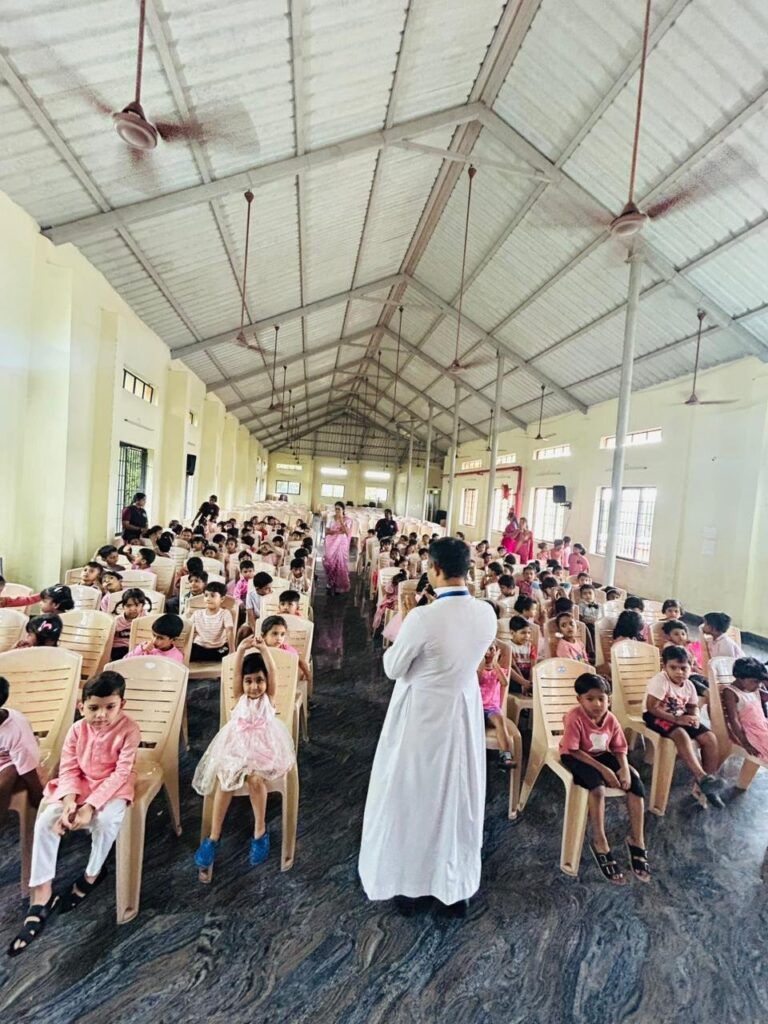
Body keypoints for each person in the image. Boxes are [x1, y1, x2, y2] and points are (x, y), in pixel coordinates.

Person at [359, 538, 496, 916]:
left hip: (422, 715)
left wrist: (406, 624)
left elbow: (393, 667)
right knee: (457, 797)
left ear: (434, 569)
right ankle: (453, 887)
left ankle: (413, 886)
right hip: (462, 713)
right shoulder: (486, 613)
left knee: (414, 795)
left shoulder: (423, 617)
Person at [7, 671, 140, 957]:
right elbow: (68, 769)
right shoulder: (77, 730)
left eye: (110, 707)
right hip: (77, 786)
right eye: (94, 708)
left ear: (122, 704)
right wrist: (69, 802)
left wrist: (90, 806)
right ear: (82, 707)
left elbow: (121, 773)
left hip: (112, 788)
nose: (101, 715)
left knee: (106, 821)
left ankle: (92, 875)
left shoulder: (130, 730)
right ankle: (42, 892)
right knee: (46, 820)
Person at [192, 640, 295, 876]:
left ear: (266, 681)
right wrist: (239, 651)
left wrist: (264, 650)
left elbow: (272, 671)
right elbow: (236, 673)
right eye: (249, 681)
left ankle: (260, 832)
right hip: (237, 747)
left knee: (256, 781)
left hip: (264, 747)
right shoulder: (239, 697)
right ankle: (213, 837)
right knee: (225, 781)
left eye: (259, 680)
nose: (254, 686)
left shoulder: (269, 697)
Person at [559, 673, 649, 885]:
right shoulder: (574, 717)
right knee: (597, 789)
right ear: (579, 699)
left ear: (609, 698)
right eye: (590, 699)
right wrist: (605, 771)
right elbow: (573, 750)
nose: (597, 704)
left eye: (602, 698)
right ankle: (600, 841)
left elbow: (619, 748)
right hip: (575, 755)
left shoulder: (611, 719)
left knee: (635, 784)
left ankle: (637, 840)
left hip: (601, 754)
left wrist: (624, 769)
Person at [643, 646, 724, 807]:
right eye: (673, 667)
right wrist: (676, 719)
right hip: (656, 716)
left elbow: (692, 706)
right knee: (680, 733)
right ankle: (701, 777)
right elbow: (652, 707)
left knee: (710, 738)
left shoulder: (689, 685)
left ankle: (708, 786)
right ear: (664, 667)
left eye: (683, 668)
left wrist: (694, 717)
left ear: (691, 667)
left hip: (679, 716)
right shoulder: (660, 681)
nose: (679, 672)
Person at [0, 675, 42, 826]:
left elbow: (30, 774)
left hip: (11, 761)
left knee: (8, 775)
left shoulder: (15, 730)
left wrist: (39, 802)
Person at [722, 658, 768, 759]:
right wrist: (745, 743)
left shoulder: (753, 689)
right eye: (755, 682)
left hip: (762, 727)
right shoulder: (731, 692)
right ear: (740, 678)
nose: (759, 685)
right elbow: (734, 720)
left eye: (760, 682)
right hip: (750, 733)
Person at [478, 644, 514, 768]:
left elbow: (505, 682)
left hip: (491, 709)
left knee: (500, 720)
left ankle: (506, 757)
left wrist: (495, 663)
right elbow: (477, 681)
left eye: (491, 649)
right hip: (477, 708)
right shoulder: (477, 669)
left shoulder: (497, 670)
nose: (487, 652)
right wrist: (481, 663)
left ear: (496, 652)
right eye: (484, 649)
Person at [189, 583, 235, 662]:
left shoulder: (225, 613)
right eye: (206, 595)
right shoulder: (197, 613)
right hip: (200, 647)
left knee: (225, 650)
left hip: (219, 648)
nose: (208, 599)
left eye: (212, 596)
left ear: (222, 599)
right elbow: (188, 629)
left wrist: (232, 651)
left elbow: (229, 632)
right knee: (189, 651)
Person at [110, 589, 151, 659]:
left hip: (138, 648)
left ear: (142, 606)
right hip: (120, 648)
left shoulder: (146, 619)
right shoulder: (117, 621)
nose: (132, 609)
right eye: (129, 606)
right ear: (123, 606)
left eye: (137, 605)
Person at [324, 501, 352, 595]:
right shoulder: (331, 518)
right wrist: (335, 532)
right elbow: (326, 531)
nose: (337, 511)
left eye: (339, 509)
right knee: (329, 561)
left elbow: (347, 532)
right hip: (331, 542)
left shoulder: (348, 520)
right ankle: (330, 581)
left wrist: (341, 521)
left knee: (340, 563)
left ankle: (339, 585)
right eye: (335, 509)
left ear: (343, 510)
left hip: (341, 544)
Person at [508, 615, 537, 692]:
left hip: (528, 676)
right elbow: (513, 667)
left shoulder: (530, 647)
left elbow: (533, 666)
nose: (527, 636)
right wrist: (523, 683)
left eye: (529, 633)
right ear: (512, 633)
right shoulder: (508, 647)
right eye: (523, 633)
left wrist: (530, 682)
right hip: (516, 677)